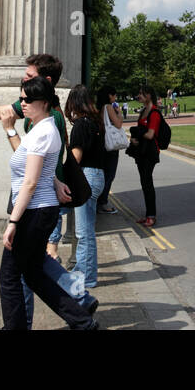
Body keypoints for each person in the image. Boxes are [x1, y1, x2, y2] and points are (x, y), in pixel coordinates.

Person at [0, 76, 97, 330]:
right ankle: (82, 321)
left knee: (9, 276)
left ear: (43, 102)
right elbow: (40, 171)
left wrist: (13, 221)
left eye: (27, 99)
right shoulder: (40, 128)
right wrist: (54, 182)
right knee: (33, 275)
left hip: (34, 213)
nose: (22, 104)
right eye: (21, 99)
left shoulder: (43, 131)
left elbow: (30, 182)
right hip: (39, 211)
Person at [65, 86, 107, 290]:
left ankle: (85, 276)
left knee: (83, 232)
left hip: (86, 177)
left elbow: (76, 158)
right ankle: (85, 273)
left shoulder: (81, 125)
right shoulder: (95, 123)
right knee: (87, 230)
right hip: (97, 175)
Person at [128, 85, 161, 226]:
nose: (139, 96)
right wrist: (133, 139)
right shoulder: (144, 111)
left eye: (141, 94)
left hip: (150, 152)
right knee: (144, 182)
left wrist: (138, 135)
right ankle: (148, 214)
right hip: (141, 151)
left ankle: (151, 215)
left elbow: (150, 134)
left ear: (148, 96)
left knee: (147, 183)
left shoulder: (154, 113)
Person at [96, 85, 124, 215]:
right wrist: (118, 112)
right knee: (109, 175)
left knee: (103, 173)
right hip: (110, 146)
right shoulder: (108, 107)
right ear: (109, 95)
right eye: (114, 95)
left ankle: (99, 201)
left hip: (102, 144)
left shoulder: (99, 108)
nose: (115, 97)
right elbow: (118, 124)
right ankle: (103, 203)